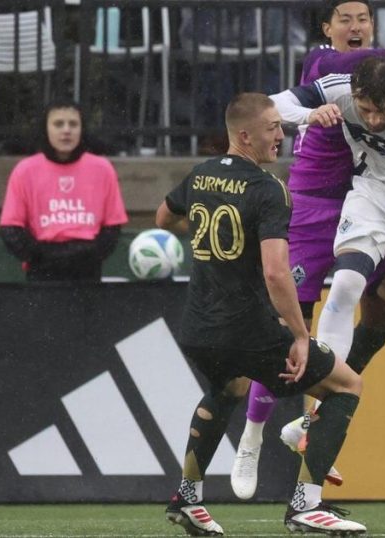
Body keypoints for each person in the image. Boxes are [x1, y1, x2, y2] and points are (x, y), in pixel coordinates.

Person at [230, 0, 385, 520]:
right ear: (327, 29)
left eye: (361, 19)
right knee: (291, 326)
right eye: (343, 19)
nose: (353, 27)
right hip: (325, 205)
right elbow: (280, 105)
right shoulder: (329, 69)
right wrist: (309, 113)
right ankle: (259, 436)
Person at [157, 93, 366, 536]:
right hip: (246, 326)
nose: (281, 134)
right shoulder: (269, 189)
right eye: (272, 127)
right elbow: (275, 273)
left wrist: (210, 241)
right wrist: (299, 334)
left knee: (227, 387)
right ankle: (305, 506)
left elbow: (163, 218)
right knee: (347, 385)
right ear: (245, 135)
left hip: (197, 326)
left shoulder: (200, 175)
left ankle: (188, 498)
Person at [0, 99, 128, 281]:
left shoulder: (103, 169)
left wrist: (90, 254)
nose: (66, 130)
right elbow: (11, 229)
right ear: (46, 129)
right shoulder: (24, 171)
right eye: (58, 124)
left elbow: (113, 226)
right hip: (42, 270)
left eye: (73, 124)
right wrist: (42, 255)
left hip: (87, 269)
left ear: (82, 129)